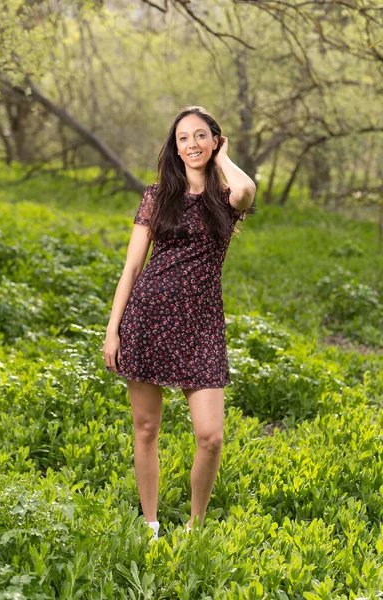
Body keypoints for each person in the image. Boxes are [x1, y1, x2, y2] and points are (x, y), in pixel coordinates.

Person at [102, 105, 256, 541]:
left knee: (210, 437)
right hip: (147, 318)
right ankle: (149, 522)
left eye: (201, 136)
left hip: (201, 326)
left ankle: (195, 525)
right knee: (146, 427)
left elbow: (246, 187)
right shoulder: (157, 196)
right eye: (183, 137)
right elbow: (131, 269)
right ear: (174, 146)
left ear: (214, 141)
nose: (192, 144)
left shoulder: (227, 201)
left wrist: (223, 158)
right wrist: (113, 330)